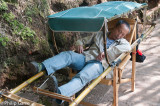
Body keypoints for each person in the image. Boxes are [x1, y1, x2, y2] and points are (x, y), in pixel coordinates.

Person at [30, 20, 131, 104]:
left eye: (123, 34)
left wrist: (106, 52)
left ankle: (59, 93)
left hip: (99, 64)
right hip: (85, 57)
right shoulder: (100, 34)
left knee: (83, 75)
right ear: (114, 27)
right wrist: (79, 44)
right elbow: (81, 40)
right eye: (119, 31)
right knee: (68, 55)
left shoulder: (124, 43)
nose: (120, 35)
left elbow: (128, 47)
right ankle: (41, 66)